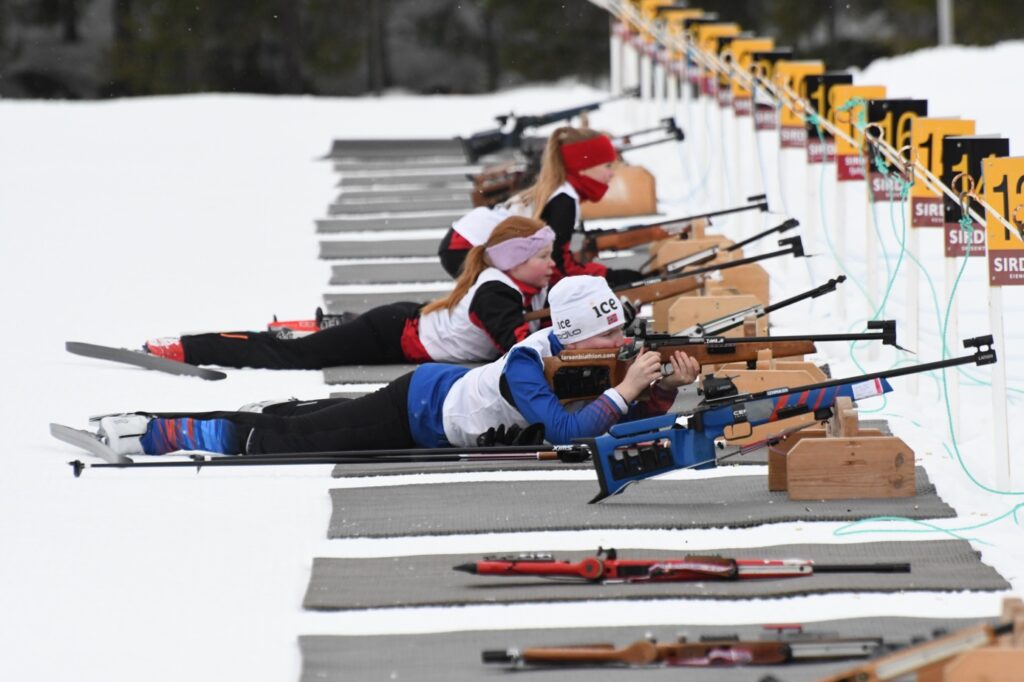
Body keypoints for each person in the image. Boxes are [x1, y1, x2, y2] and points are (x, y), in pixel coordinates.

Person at [93, 276, 701, 457]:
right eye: (611, 330)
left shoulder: (585, 360)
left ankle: (276, 409)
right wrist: (629, 387)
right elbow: (572, 430)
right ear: (577, 332)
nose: (623, 339)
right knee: (293, 445)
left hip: (432, 402)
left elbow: (612, 422)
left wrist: (662, 390)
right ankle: (156, 429)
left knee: (319, 420)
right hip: (418, 409)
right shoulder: (526, 360)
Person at [143, 216, 555, 370]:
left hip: (403, 326)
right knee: (293, 357)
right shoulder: (497, 291)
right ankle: (187, 347)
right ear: (515, 261)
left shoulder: (515, 284)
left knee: (327, 342)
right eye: (544, 257)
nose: (554, 265)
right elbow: (515, 346)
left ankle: (328, 330)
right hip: (391, 334)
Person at [438, 127, 643, 286]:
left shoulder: (560, 190)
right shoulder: (564, 200)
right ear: (583, 166)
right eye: (608, 165)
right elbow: (556, 265)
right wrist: (607, 277)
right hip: (468, 246)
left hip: (463, 240)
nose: (612, 173)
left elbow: (554, 260)